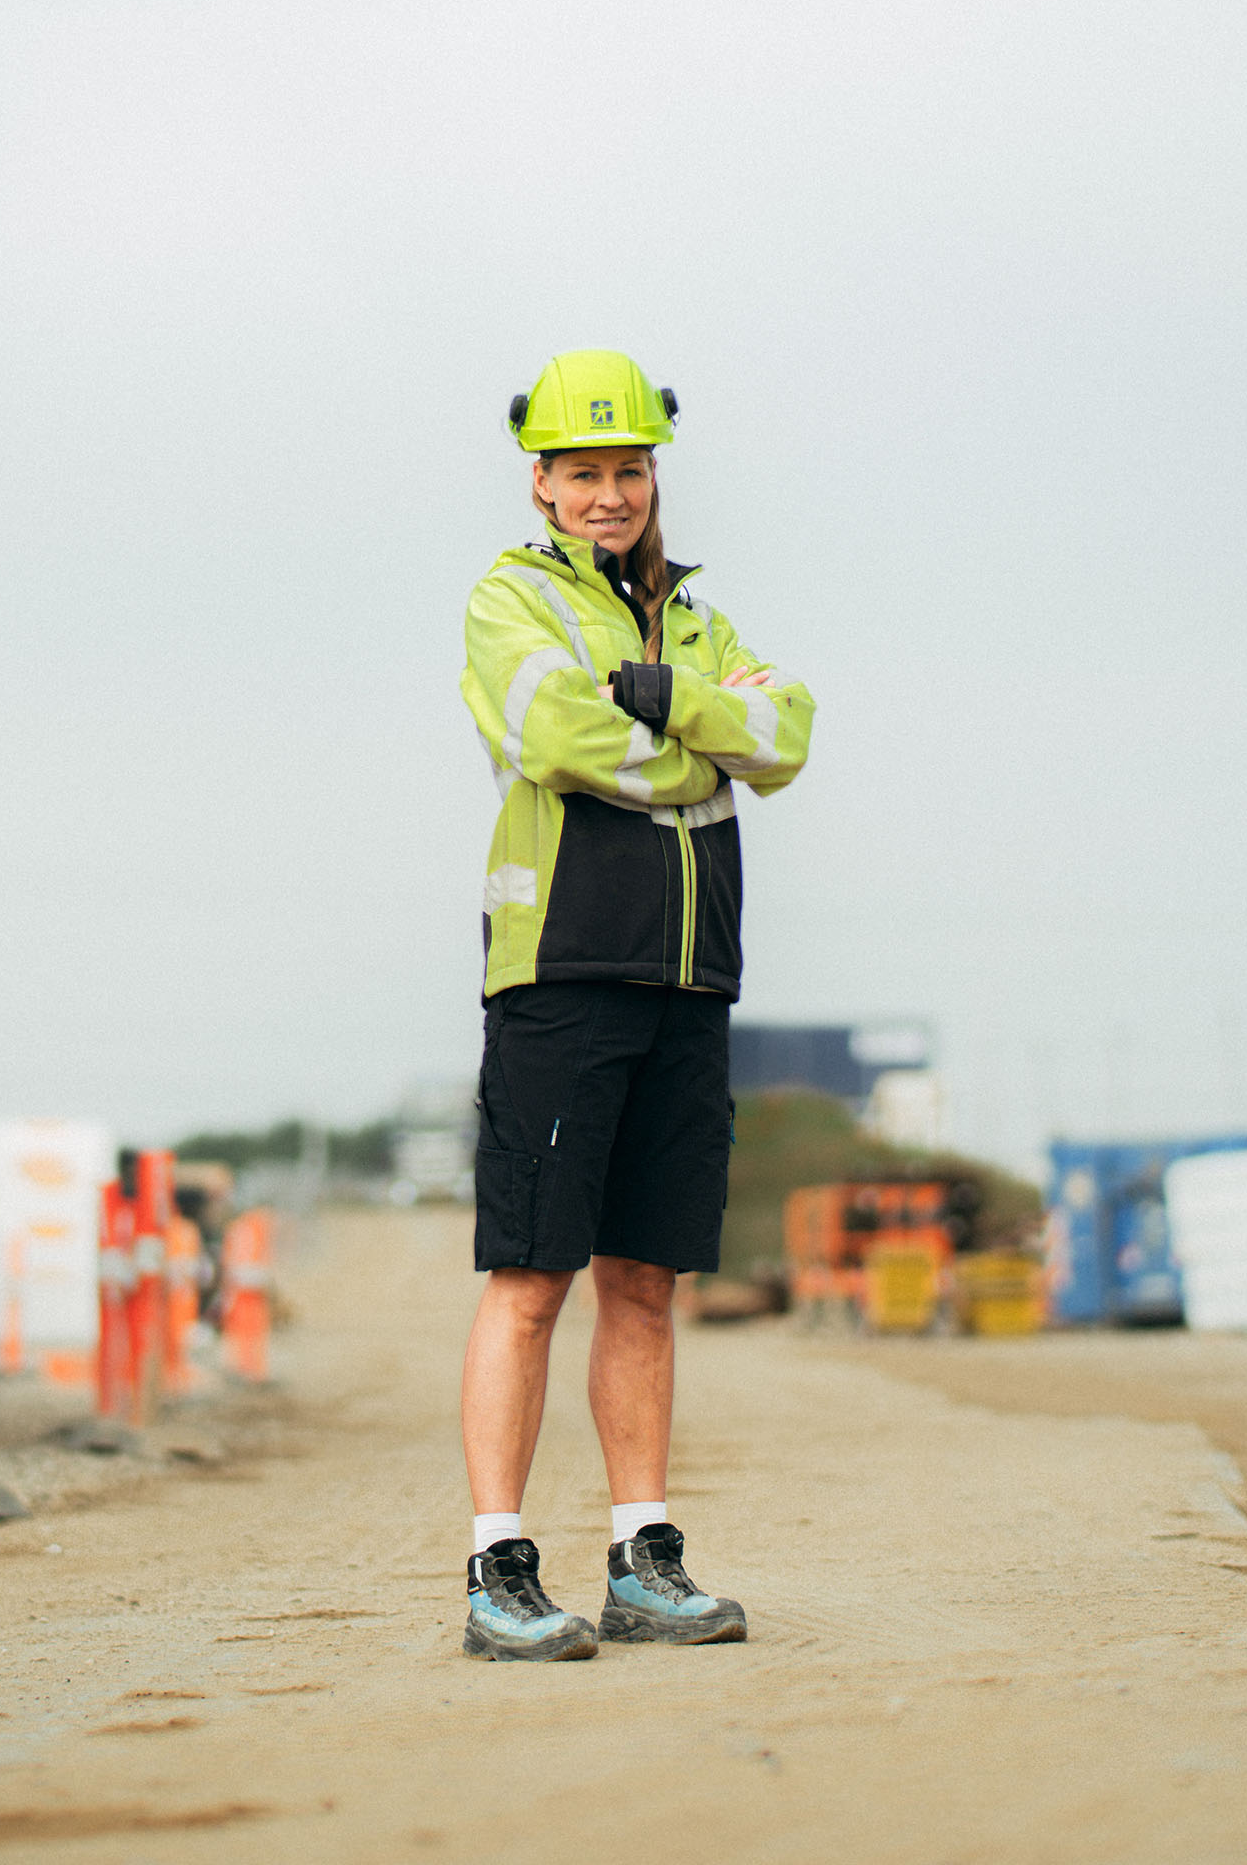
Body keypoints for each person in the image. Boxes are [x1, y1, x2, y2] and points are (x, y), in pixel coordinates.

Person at [455, 350, 815, 1661]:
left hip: (687, 982)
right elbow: (556, 736)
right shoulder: (511, 601)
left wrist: (679, 703)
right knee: (533, 1277)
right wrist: (700, 755)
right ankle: (498, 1567)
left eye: (630, 469)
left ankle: (641, 1559)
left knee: (647, 1282)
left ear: (654, 473)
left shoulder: (698, 625)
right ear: (540, 484)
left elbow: (791, 738)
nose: (610, 494)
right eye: (584, 472)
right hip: (561, 974)